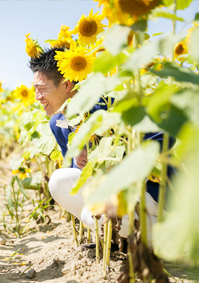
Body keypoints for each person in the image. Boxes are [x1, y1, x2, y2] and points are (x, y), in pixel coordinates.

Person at [28, 47, 171, 241]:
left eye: (42, 89)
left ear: (67, 85)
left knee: (100, 211)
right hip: (114, 196)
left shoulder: (106, 103)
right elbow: (79, 178)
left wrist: (115, 161)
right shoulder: (58, 123)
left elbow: (163, 137)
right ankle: (122, 237)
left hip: (151, 191)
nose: (38, 97)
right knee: (60, 182)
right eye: (35, 89)